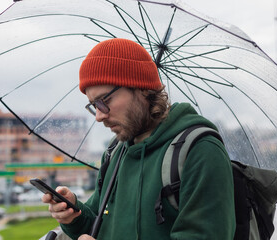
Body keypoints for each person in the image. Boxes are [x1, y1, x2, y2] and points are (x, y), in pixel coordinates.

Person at [42, 38, 235, 240]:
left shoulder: (200, 150)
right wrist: (74, 216)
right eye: (93, 105)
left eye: (104, 101)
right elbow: (98, 225)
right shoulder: (117, 151)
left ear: (142, 89)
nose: (99, 116)